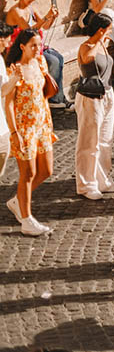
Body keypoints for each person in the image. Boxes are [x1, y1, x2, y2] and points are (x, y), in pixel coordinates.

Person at [3, 29, 57, 236]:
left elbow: (43, 93)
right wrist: (14, 132)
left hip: (42, 123)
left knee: (47, 170)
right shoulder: (14, 70)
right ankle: (26, 219)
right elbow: (8, 104)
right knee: (28, 174)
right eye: (33, 45)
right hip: (23, 127)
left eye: (39, 44)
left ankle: (18, 201)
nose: (38, 49)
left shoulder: (41, 62)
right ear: (22, 46)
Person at [73, 13, 114, 200]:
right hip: (90, 97)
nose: (110, 33)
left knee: (105, 140)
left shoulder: (103, 44)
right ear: (101, 30)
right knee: (88, 142)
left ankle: (102, 179)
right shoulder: (86, 47)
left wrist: (103, 41)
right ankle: (86, 184)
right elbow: (86, 60)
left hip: (107, 94)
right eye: (108, 29)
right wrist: (99, 40)